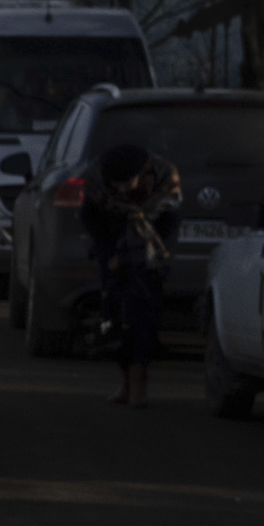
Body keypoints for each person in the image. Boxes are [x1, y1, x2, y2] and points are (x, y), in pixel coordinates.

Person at [81, 142, 180, 407]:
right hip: (111, 256)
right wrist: (111, 255)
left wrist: (135, 253)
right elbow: (92, 220)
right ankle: (125, 383)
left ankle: (139, 388)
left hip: (149, 258)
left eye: (126, 183)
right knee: (114, 319)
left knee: (141, 319)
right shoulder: (96, 181)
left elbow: (168, 227)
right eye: (115, 184)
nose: (120, 190)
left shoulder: (165, 180)